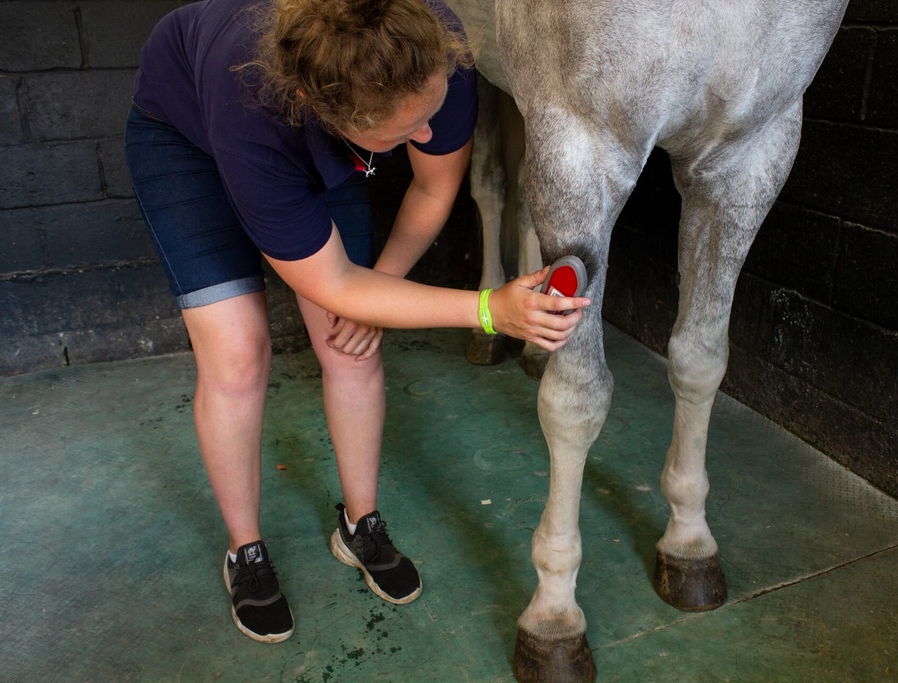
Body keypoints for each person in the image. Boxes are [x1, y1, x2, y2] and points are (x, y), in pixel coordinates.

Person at [124, 0, 590, 644]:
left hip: (327, 136)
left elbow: (431, 187)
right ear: (328, 111)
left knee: (352, 344)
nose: (427, 136)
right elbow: (337, 282)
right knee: (236, 355)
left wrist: (387, 285)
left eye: (429, 114)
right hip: (187, 140)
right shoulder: (255, 107)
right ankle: (245, 551)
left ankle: (360, 523)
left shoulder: (431, 50)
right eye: (407, 132)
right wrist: (489, 310)